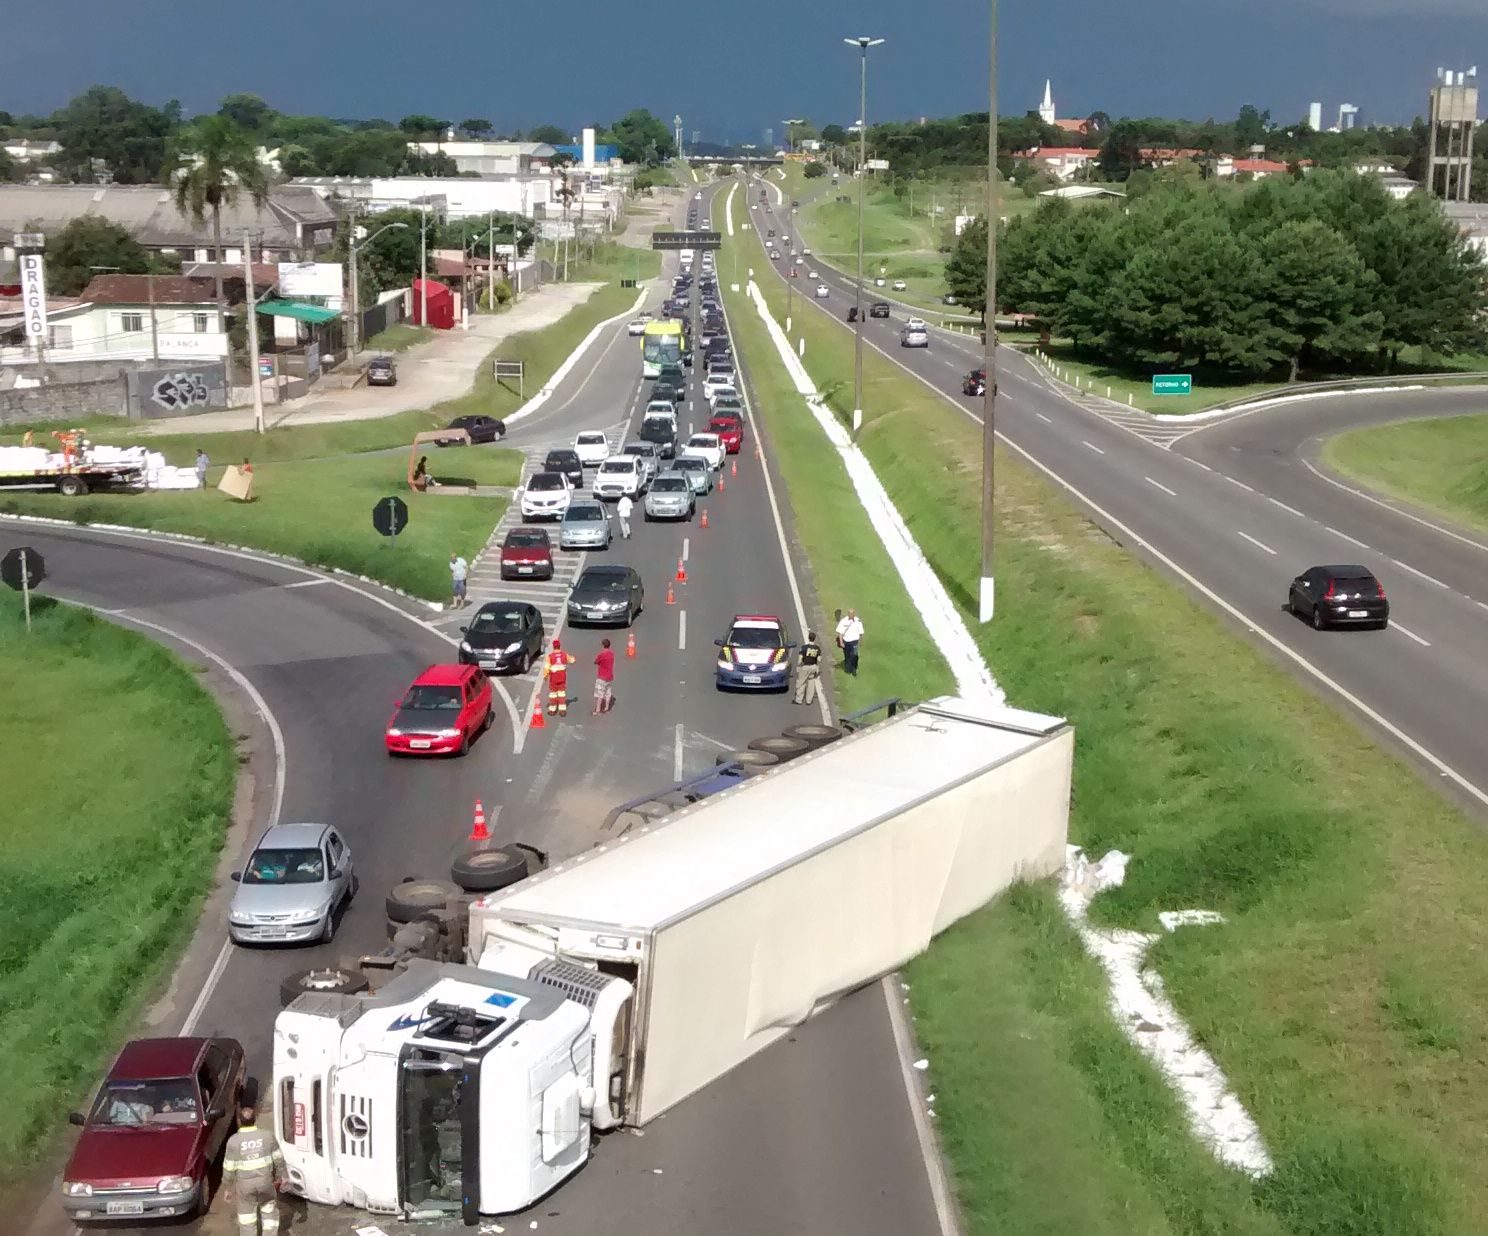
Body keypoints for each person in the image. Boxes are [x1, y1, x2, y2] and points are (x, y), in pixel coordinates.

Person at [223, 1103, 283, 1236]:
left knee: (247, 1220)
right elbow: (278, 1159)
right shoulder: (267, 1136)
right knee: (269, 1213)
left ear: (239, 1121)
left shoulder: (233, 1141)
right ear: (255, 1119)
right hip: (266, 1183)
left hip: (245, 1187)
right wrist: (281, 1177)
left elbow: (229, 1167)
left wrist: (228, 1188)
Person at [543, 638, 576, 716]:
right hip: (562, 678)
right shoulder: (564, 655)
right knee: (562, 694)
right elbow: (572, 660)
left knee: (553, 694)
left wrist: (545, 676)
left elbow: (546, 667)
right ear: (559, 646)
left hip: (553, 679)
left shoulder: (550, 656)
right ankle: (562, 710)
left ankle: (552, 710)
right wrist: (574, 658)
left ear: (553, 647)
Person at [793, 630, 823, 705]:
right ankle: (809, 700)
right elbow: (819, 659)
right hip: (813, 667)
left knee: (801, 682)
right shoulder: (817, 648)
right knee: (811, 683)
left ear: (808, 638)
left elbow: (800, 659)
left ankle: (799, 699)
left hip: (805, 666)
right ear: (814, 639)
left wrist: (798, 665)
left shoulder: (804, 647)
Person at [835, 609, 864, 676]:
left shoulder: (858, 621)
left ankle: (854, 668)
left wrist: (861, 640)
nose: (851, 615)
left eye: (852, 614)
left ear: (854, 614)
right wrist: (841, 642)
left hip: (854, 641)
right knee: (847, 655)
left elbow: (861, 632)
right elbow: (840, 633)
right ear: (848, 614)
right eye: (850, 614)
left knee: (854, 655)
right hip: (846, 641)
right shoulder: (843, 621)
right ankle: (848, 669)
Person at [593, 637, 615, 715]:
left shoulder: (601, 654)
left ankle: (598, 710)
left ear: (603, 645)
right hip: (609, 677)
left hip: (602, 677)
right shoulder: (612, 654)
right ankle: (606, 708)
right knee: (608, 693)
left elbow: (596, 662)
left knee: (600, 694)